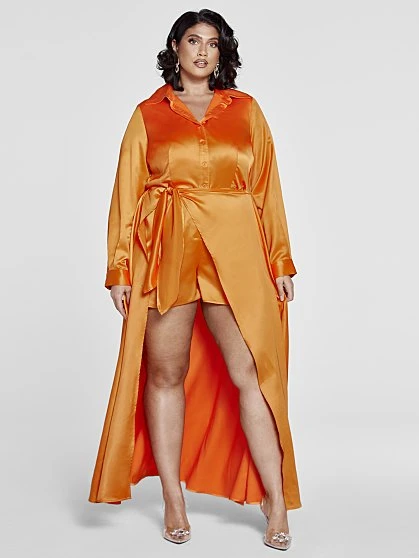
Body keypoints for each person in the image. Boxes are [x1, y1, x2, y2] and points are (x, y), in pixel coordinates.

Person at [88, 8, 302, 550]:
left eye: (213, 43)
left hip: (237, 253)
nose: (203, 51)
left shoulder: (246, 110)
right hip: (170, 251)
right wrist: (119, 269)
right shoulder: (148, 114)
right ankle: (173, 498)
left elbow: (267, 188)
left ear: (222, 52)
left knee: (251, 372)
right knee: (166, 372)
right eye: (193, 40)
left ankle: (275, 499)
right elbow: (126, 195)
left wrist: (280, 260)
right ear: (176, 48)